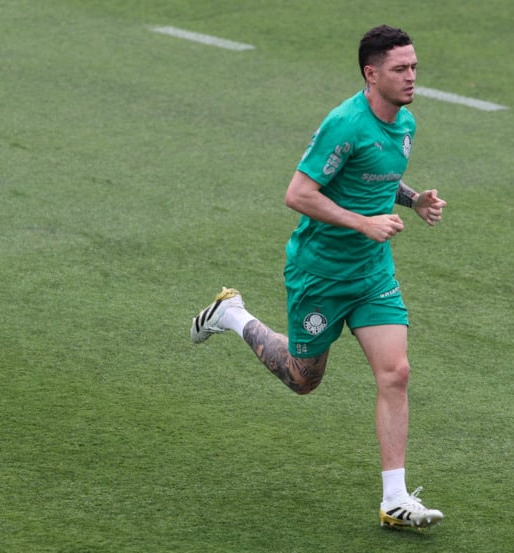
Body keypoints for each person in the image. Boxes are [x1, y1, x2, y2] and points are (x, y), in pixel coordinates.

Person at [190, 25, 446, 529]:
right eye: (400, 69)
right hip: (320, 275)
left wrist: (412, 200)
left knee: (396, 373)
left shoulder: (405, 122)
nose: (412, 76)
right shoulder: (344, 123)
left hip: (373, 274)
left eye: (414, 66)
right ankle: (232, 315)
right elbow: (299, 193)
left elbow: (377, 177)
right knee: (303, 380)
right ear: (371, 74)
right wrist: (362, 223)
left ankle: (394, 499)